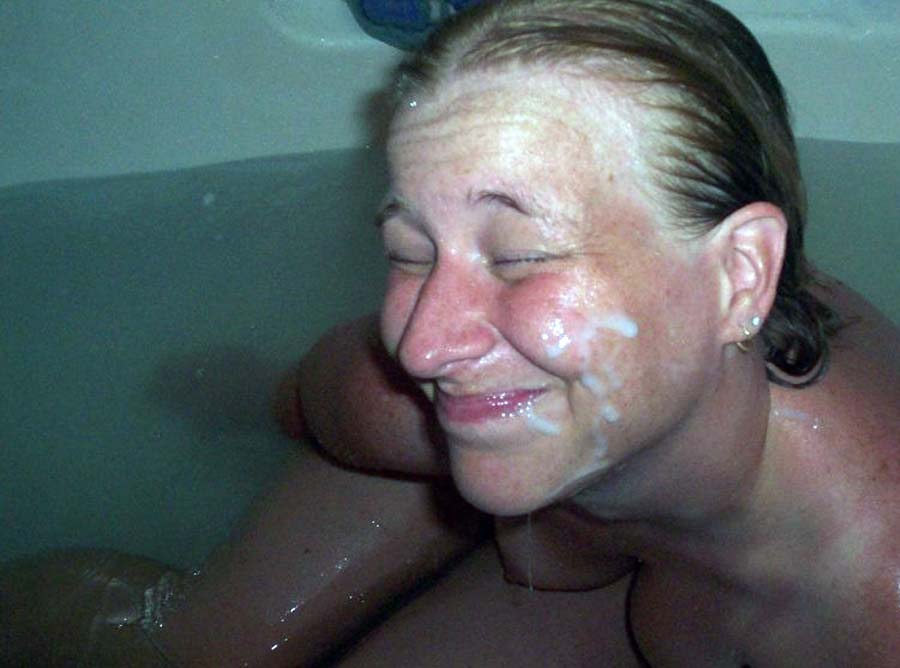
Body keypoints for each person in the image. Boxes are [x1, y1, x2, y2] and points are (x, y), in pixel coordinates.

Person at [2, 1, 897, 666]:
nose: (423, 348)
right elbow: (354, 394)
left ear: (739, 277)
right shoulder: (409, 396)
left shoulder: (871, 600)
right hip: (591, 511)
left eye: (519, 255)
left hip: (644, 534)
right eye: (409, 251)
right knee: (188, 645)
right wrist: (271, 403)